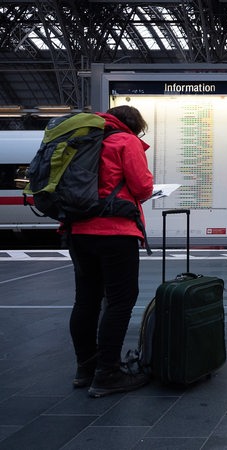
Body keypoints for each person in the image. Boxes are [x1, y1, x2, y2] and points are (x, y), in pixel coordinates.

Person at [68, 105, 153, 398]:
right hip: (115, 232)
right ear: (135, 125)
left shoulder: (82, 139)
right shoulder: (125, 141)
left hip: (77, 231)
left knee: (86, 301)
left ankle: (85, 369)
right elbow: (142, 188)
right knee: (120, 301)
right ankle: (108, 373)